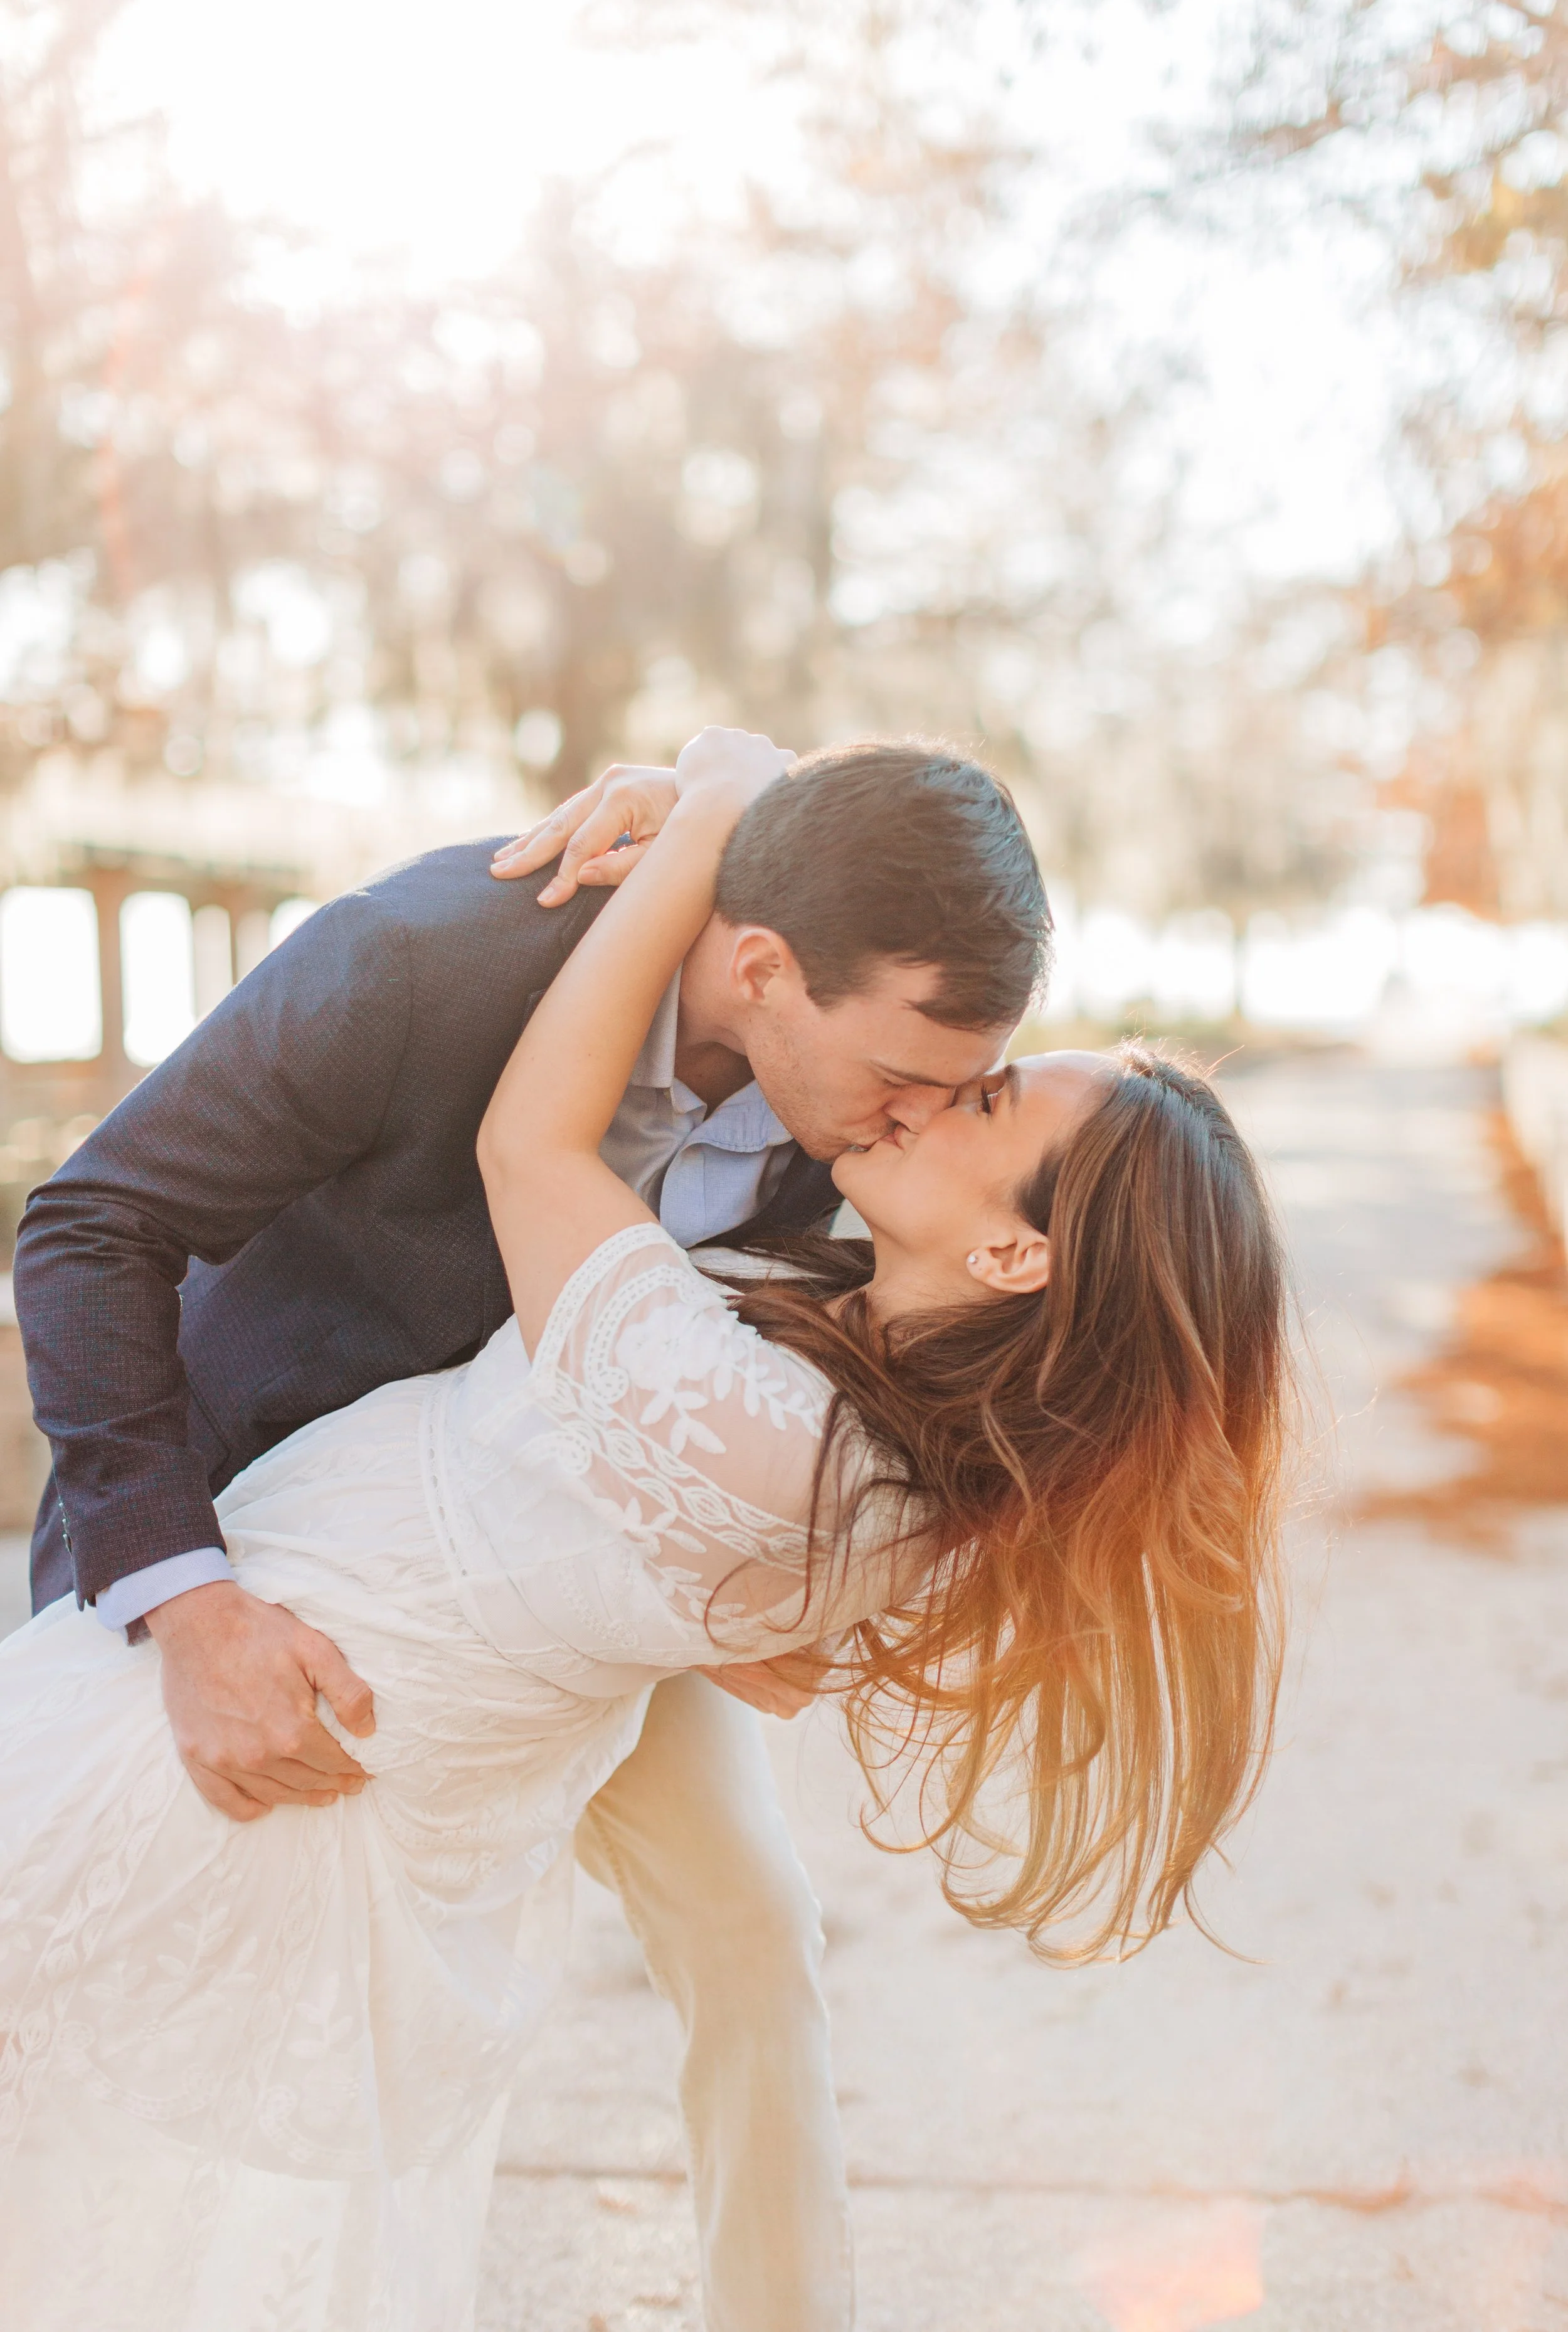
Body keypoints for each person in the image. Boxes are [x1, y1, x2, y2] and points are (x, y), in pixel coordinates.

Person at [1, 727, 1290, 2331]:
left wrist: (744, 1586)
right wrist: (186, 1602)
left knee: (754, 1933)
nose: (917, 1119)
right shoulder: (425, 962)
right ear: (761, 969)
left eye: (964, 1091)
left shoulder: (864, 1138)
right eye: (907, 1080)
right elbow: (89, 1220)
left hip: (577, 1571)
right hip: (293, 1523)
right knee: (113, 1980)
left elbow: (854, 1382)